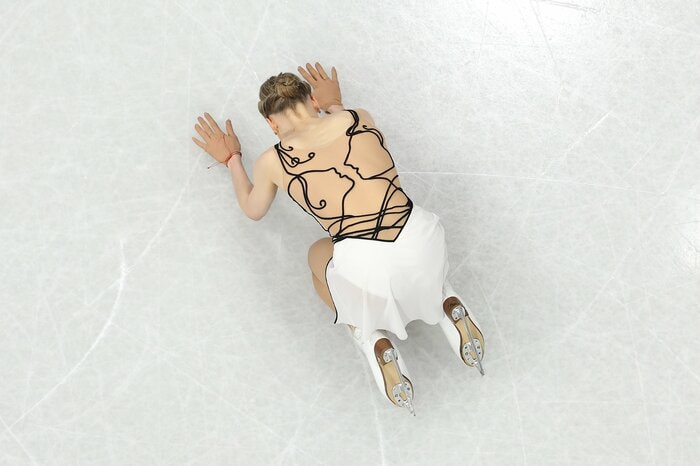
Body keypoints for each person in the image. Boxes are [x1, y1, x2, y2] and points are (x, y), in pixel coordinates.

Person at [192, 62, 486, 416]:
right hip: (423, 238)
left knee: (317, 257)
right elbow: (359, 147)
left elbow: (253, 209)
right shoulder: (358, 117)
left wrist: (232, 158)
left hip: (368, 267)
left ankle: (368, 335)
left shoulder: (272, 161)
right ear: (312, 100)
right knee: (403, 252)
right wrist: (334, 104)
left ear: (271, 123)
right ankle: (444, 299)